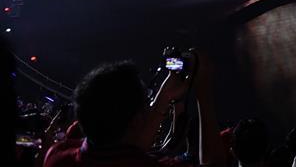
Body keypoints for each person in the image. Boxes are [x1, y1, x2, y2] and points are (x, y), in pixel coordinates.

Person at [44, 52, 226, 167]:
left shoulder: (57, 157)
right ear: (136, 121)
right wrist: (203, 90)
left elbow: (126, 149)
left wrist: (163, 98)